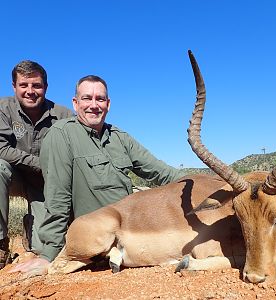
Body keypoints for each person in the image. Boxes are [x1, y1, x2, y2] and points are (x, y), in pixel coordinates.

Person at [10, 75, 185, 275]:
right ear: (75, 104)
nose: (94, 105)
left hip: (128, 227)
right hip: (95, 234)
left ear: (108, 104)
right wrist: (48, 255)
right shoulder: (61, 134)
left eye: (100, 99)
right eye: (87, 98)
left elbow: (162, 173)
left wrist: (208, 182)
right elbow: (58, 197)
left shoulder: (119, 137)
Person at [0, 60, 73, 269]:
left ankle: (29, 231)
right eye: (24, 85)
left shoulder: (64, 115)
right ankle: (0, 243)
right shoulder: (2, 109)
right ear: (14, 86)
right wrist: (42, 164)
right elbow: (0, 148)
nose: (30, 91)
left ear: (46, 87)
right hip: (13, 176)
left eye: (36, 85)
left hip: (45, 184)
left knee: (43, 247)